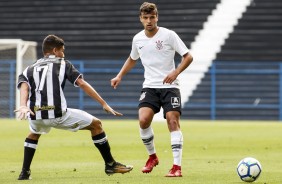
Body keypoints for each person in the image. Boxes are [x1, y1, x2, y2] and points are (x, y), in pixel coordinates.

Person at [14, 34, 133, 180]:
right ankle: (110, 164)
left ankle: (24, 173)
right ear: (55, 50)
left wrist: (22, 105)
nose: (63, 54)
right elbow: (82, 83)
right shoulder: (63, 63)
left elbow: (24, 87)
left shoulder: (29, 69)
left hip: (35, 114)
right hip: (57, 114)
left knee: (34, 133)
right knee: (96, 125)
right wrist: (103, 103)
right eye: (62, 50)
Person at [111, 2, 193, 177]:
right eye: (145, 18)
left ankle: (176, 167)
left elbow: (188, 56)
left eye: (152, 17)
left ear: (157, 17)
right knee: (143, 120)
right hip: (149, 86)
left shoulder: (169, 35)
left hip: (170, 87)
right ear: (141, 19)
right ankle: (152, 157)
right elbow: (132, 58)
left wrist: (176, 72)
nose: (149, 21)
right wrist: (119, 76)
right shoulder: (138, 39)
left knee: (172, 121)